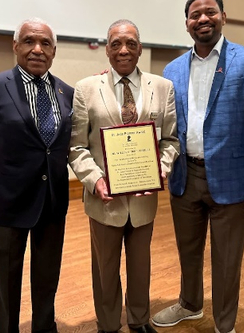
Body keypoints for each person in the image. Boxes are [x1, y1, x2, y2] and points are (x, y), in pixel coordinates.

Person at [151, 0, 244, 333]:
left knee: (227, 259)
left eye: (209, 12)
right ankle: (190, 305)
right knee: (187, 251)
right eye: (195, 15)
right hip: (184, 176)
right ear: (187, 25)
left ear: (223, 17)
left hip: (233, 180)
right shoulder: (172, 68)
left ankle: (225, 325)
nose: (202, 19)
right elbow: (161, 119)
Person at [69, 19, 179, 333]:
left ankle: (139, 319)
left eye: (131, 43)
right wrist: (95, 179)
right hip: (104, 199)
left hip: (144, 198)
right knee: (105, 268)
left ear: (140, 48)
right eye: (116, 43)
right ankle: (107, 324)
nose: (124, 50)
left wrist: (160, 170)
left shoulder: (162, 87)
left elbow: (171, 141)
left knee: (140, 265)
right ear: (107, 49)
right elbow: (77, 146)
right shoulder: (86, 89)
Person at [0, 17, 74, 333]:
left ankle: (44, 326)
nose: (37, 49)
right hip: (8, 204)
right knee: (6, 280)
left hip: (53, 203)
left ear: (54, 51)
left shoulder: (66, 92)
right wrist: (2, 180)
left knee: (47, 277)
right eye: (29, 41)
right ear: (15, 46)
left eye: (45, 44)